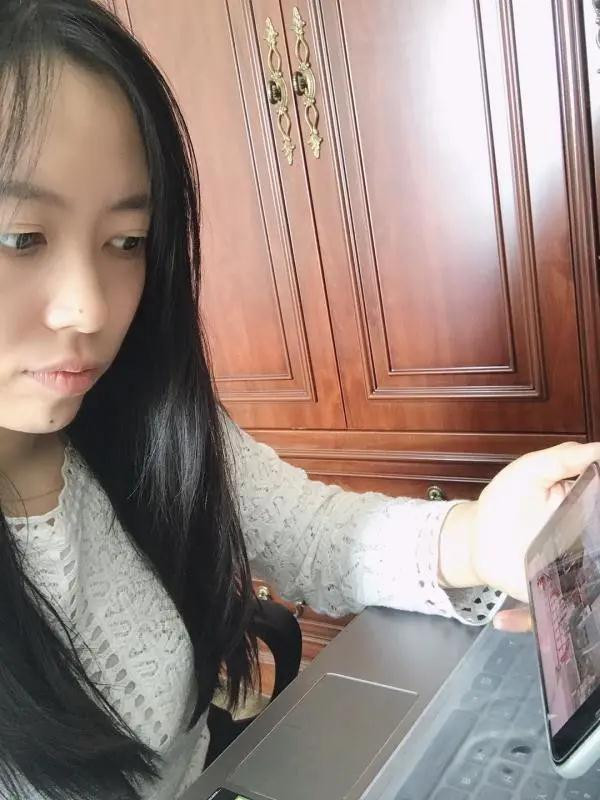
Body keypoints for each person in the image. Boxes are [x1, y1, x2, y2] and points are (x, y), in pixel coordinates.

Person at [0, 2, 597, 798]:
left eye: (126, 242)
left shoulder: (140, 422)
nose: (89, 308)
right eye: (20, 237)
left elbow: (321, 537)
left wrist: (485, 537)